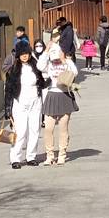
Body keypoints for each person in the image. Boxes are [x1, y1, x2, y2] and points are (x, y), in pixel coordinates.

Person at [36, 30, 78, 165]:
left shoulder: (67, 63)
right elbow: (39, 66)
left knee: (63, 128)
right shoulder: (49, 65)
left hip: (64, 95)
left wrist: (65, 59)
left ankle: (62, 154)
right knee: (48, 128)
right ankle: (49, 155)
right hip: (52, 95)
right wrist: (46, 50)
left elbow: (75, 72)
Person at [4, 42, 45, 168]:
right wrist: (7, 110)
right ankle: (15, 158)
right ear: (18, 55)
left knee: (35, 130)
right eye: (21, 54)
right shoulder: (13, 70)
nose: (24, 56)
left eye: (26, 53)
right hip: (20, 102)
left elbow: (43, 82)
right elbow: (8, 90)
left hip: (35, 101)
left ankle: (31, 156)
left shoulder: (36, 67)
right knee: (20, 131)